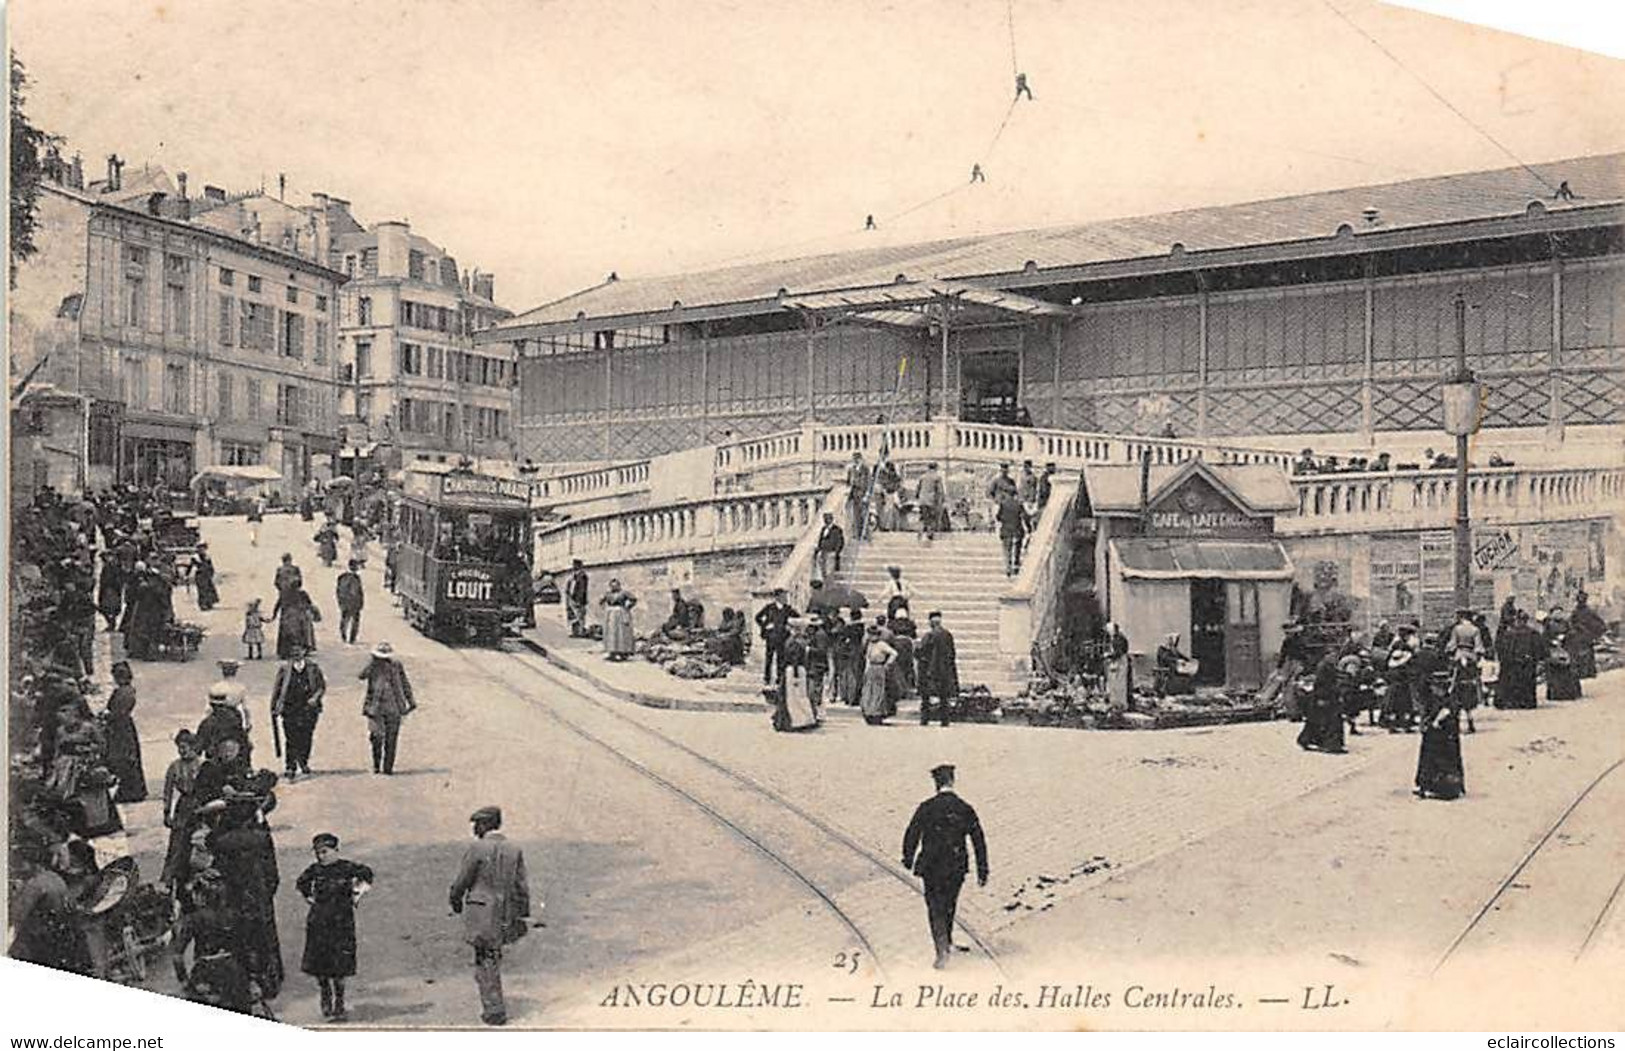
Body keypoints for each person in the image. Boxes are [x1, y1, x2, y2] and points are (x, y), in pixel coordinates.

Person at [449, 806, 533, 1027]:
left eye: (477, 824)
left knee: (485, 957)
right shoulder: (514, 849)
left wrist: (455, 899)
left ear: (486, 825)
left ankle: (494, 1009)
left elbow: (463, 880)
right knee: (492, 956)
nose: (474, 829)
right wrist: (521, 915)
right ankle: (493, 1002)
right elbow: (521, 885)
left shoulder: (477, 848)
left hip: (481, 911)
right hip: (505, 912)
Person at [901, 764, 989, 970]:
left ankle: (942, 950)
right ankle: (947, 942)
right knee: (950, 904)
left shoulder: (926, 807)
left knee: (935, 908)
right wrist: (982, 869)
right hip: (956, 866)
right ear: (952, 782)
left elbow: (912, 832)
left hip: (931, 866)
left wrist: (908, 857)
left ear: (936, 784)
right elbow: (978, 839)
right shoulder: (965, 808)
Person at [209, 797, 284, 1002]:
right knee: (266, 937)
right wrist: (268, 891)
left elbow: (217, 864)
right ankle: (270, 979)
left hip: (236, 896)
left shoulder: (222, 841)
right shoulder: (261, 837)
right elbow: (272, 871)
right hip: (259, 894)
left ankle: (244, 980)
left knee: (239, 938)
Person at [296, 833, 374, 1022]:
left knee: (340, 965)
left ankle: (339, 1001)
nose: (321, 856)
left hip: (342, 923)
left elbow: (367, 875)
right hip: (319, 922)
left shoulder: (347, 868)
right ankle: (325, 996)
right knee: (321, 965)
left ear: (336, 851)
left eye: (325, 852)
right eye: (318, 853)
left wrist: (357, 894)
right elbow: (301, 883)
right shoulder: (314, 870)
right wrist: (310, 898)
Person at [359, 642, 416, 776]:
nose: (383, 660)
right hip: (375, 707)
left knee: (391, 739)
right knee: (376, 737)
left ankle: (388, 768)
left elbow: (405, 683)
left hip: (394, 707)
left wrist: (411, 701)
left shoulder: (397, 666)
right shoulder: (373, 666)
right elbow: (361, 676)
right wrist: (371, 662)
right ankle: (376, 764)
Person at [273, 646, 327, 780]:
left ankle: (303, 762)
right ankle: (290, 766)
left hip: (308, 708)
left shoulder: (313, 667)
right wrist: (275, 706)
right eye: (293, 651)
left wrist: (315, 698)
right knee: (290, 737)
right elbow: (277, 689)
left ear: (304, 652)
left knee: (306, 736)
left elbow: (321, 686)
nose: (296, 653)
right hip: (290, 708)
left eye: (299, 650)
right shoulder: (284, 669)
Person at [160, 730, 205, 890]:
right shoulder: (174, 766)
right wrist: (166, 812)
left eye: (185, 747)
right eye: (179, 747)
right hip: (183, 805)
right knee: (178, 840)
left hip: (199, 804)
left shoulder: (201, 764)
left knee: (198, 838)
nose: (182, 751)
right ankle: (173, 875)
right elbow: (167, 790)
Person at [1415, 661, 1466, 800]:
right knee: (1429, 759)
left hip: (1445, 734)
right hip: (1434, 734)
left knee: (1443, 760)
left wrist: (1437, 720)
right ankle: (1426, 784)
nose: (1433, 689)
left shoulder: (1449, 699)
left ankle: (1446, 787)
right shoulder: (1433, 699)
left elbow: (1450, 712)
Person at [103, 661, 147, 803]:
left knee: (123, 757)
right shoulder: (129, 690)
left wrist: (107, 717)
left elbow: (116, 712)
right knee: (130, 757)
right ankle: (135, 789)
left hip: (119, 728)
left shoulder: (122, 692)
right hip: (125, 726)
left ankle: (129, 790)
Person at [915, 612, 960, 727]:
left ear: (931, 623)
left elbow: (921, 651)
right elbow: (952, 653)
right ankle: (945, 720)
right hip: (944, 669)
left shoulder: (929, 636)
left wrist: (917, 649)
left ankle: (925, 719)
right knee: (943, 697)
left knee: (926, 696)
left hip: (930, 669)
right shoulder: (947, 635)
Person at [1296, 653, 1347, 753]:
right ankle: (1331, 744)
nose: (1334, 659)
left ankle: (1307, 740)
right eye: (1332, 656)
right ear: (1326, 656)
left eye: (1335, 657)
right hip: (1324, 697)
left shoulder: (1327, 666)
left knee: (1317, 721)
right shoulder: (1323, 667)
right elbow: (1322, 684)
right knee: (1331, 721)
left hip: (1325, 697)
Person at [197, 684, 253, 767]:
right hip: (236, 762)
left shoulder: (207, 723)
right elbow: (245, 744)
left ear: (212, 705)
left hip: (216, 764)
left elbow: (199, 748)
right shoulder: (236, 718)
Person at [754, 589, 797, 685]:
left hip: (782, 637)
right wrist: (765, 626)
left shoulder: (787, 609)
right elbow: (757, 617)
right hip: (771, 636)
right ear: (777, 597)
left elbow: (797, 617)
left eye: (785, 596)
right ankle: (767, 678)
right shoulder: (770, 608)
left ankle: (779, 678)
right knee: (769, 657)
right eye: (783, 596)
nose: (785, 598)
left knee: (781, 658)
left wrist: (790, 626)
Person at [860, 625, 897, 725]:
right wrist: (866, 670)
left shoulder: (882, 644)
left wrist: (887, 664)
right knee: (868, 691)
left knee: (878, 692)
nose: (872, 637)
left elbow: (894, 653)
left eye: (874, 635)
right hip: (871, 668)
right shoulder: (870, 645)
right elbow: (867, 658)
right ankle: (869, 712)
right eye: (870, 634)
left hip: (879, 667)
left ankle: (877, 713)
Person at [273, 586, 321, 659]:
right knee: (300, 634)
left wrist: (274, 615)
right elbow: (309, 603)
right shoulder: (301, 593)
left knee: (291, 634)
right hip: (298, 616)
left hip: (290, 617)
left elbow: (277, 606)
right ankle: (300, 650)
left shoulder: (285, 594)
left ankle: (289, 651)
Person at [1544, 610, 1582, 701]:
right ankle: (1554, 694)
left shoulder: (1566, 624)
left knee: (1568, 672)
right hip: (1554, 651)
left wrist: (1565, 637)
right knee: (1554, 673)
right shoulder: (1549, 624)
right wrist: (1551, 641)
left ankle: (1568, 693)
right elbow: (1545, 637)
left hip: (1566, 649)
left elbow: (1572, 634)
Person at [1570, 591, 1604, 680]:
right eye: (1579, 599)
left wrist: (1594, 633)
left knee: (1587, 655)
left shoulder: (1590, 611)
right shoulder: (1575, 612)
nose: (1581, 601)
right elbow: (1571, 623)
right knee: (1578, 655)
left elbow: (1601, 624)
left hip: (1587, 637)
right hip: (1578, 637)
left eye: (1583, 599)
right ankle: (1581, 672)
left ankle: (1588, 672)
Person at [600, 580, 637, 661]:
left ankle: (623, 652)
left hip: (621, 613)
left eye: (616, 585)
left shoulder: (623, 593)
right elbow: (601, 601)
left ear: (619, 585)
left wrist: (628, 607)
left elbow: (633, 599)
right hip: (610, 614)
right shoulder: (608, 593)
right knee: (611, 632)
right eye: (612, 586)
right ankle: (612, 652)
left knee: (621, 632)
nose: (614, 587)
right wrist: (605, 609)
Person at [803, 618, 831, 716]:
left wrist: (809, 649)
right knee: (813, 688)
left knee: (815, 689)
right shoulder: (814, 634)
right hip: (812, 665)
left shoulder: (820, 635)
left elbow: (821, 651)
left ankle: (817, 710)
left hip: (817, 665)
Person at [1103, 622, 1132, 711]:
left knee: (1119, 683)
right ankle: (1116, 702)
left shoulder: (1118, 638)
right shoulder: (1116, 638)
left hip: (1120, 662)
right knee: (1115, 683)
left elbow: (1119, 652)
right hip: (1118, 661)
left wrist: (1109, 655)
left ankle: (1120, 703)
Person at [916, 463, 947, 542]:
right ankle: (930, 534)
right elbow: (940, 490)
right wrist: (942, 500)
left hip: (922, 500)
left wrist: (917, 497)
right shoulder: (937, 477)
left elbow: (917, 489)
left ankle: (920, 532)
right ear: (936, 468)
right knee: (931, 518)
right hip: (931, 500)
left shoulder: (922, 477)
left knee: (922, 517)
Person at [996, 494, 1026, 576]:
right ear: (1015, 495)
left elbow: (998, 517)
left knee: (1007, 549)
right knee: (1017, 548)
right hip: (1017, 529)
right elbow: (1024, 516)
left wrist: (1004, 519)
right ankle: (1015, 566)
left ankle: (1008, 567)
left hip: (1006, 530)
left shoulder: (1003, 504)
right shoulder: (1019, 504)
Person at [336, 561, 365, 646]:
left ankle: (344, 636)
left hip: (344, 602)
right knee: (354, 621)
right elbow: (358, 592)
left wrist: (340, 601)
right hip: (354, 603)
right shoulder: (356, 578)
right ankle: (351, 638)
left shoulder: (342, 577)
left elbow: (338, 590)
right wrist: (360, 602)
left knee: (345, 619)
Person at [96, 551, 125, 632]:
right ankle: (111, 623)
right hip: (108, 589)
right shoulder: (109, 566)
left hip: (110, 590)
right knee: (106, 608)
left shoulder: (112, 566)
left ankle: (112, 624)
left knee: (108, 608)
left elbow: (112, 579)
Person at [845, 453, 872, 540]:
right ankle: (857, 534)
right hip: (854, 494)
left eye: (857, 459)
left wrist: (867, 494)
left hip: (863, 494)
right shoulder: (851, 469)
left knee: (864, 514)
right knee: (855, 515)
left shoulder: (865, 469)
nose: (856, 461)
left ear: (860, 459)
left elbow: (869, 482)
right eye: (854, 459)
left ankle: (865, 534)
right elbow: (848, 482)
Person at [987, 464, 1018, 533]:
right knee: (998, 519)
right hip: (999, 503)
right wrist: (995, 500)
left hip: (1008, 504)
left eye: (1006, 471)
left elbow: (1015, 492)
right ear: (1000, 471)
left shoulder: (1011, 481)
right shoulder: (995, 480)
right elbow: (990, 492)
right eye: (1003, 470)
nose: (1004, 472)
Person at [814, 513, 845, 581]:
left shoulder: (836, 529)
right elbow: (821, 540)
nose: (826, 520)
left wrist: (836, 552)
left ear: (831, 519)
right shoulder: (823, 529)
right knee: (823, 571)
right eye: (825, 519)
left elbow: (840, 542)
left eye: (828, 519)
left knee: (829, 572)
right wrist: (819, 548)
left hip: (831, 553)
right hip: (823, 552)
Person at [565, 560, 590, 638]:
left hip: (578, 599)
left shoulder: (582, 576)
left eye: (575, 565)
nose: (573, 566)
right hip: (571, 598)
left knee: (579, 616)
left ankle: (580, 631)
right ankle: (574, 631)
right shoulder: (573, 576)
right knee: (572, 615)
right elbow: (569, 586)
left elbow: (582, 589)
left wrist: (579, 600)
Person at [875, 459, 902, 531]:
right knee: (893, 511)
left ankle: (887, 526)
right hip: (893, 493)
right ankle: (894, 526)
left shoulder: (888, 475)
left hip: (889, 493)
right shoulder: (895, 475)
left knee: (888, 511)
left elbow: (884, 484)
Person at [193, 543, 220, 612]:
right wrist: (186, 575)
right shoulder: (195, 558)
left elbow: (211, 566)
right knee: (201, 590)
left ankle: (209, 603)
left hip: (207, 575)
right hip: (199, 575)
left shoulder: (207, 557)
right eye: (200, 549)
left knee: (208, 589)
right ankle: (202, 604)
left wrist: (212, 572)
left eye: (203, 549)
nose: (201, 550)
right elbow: (191, 567)